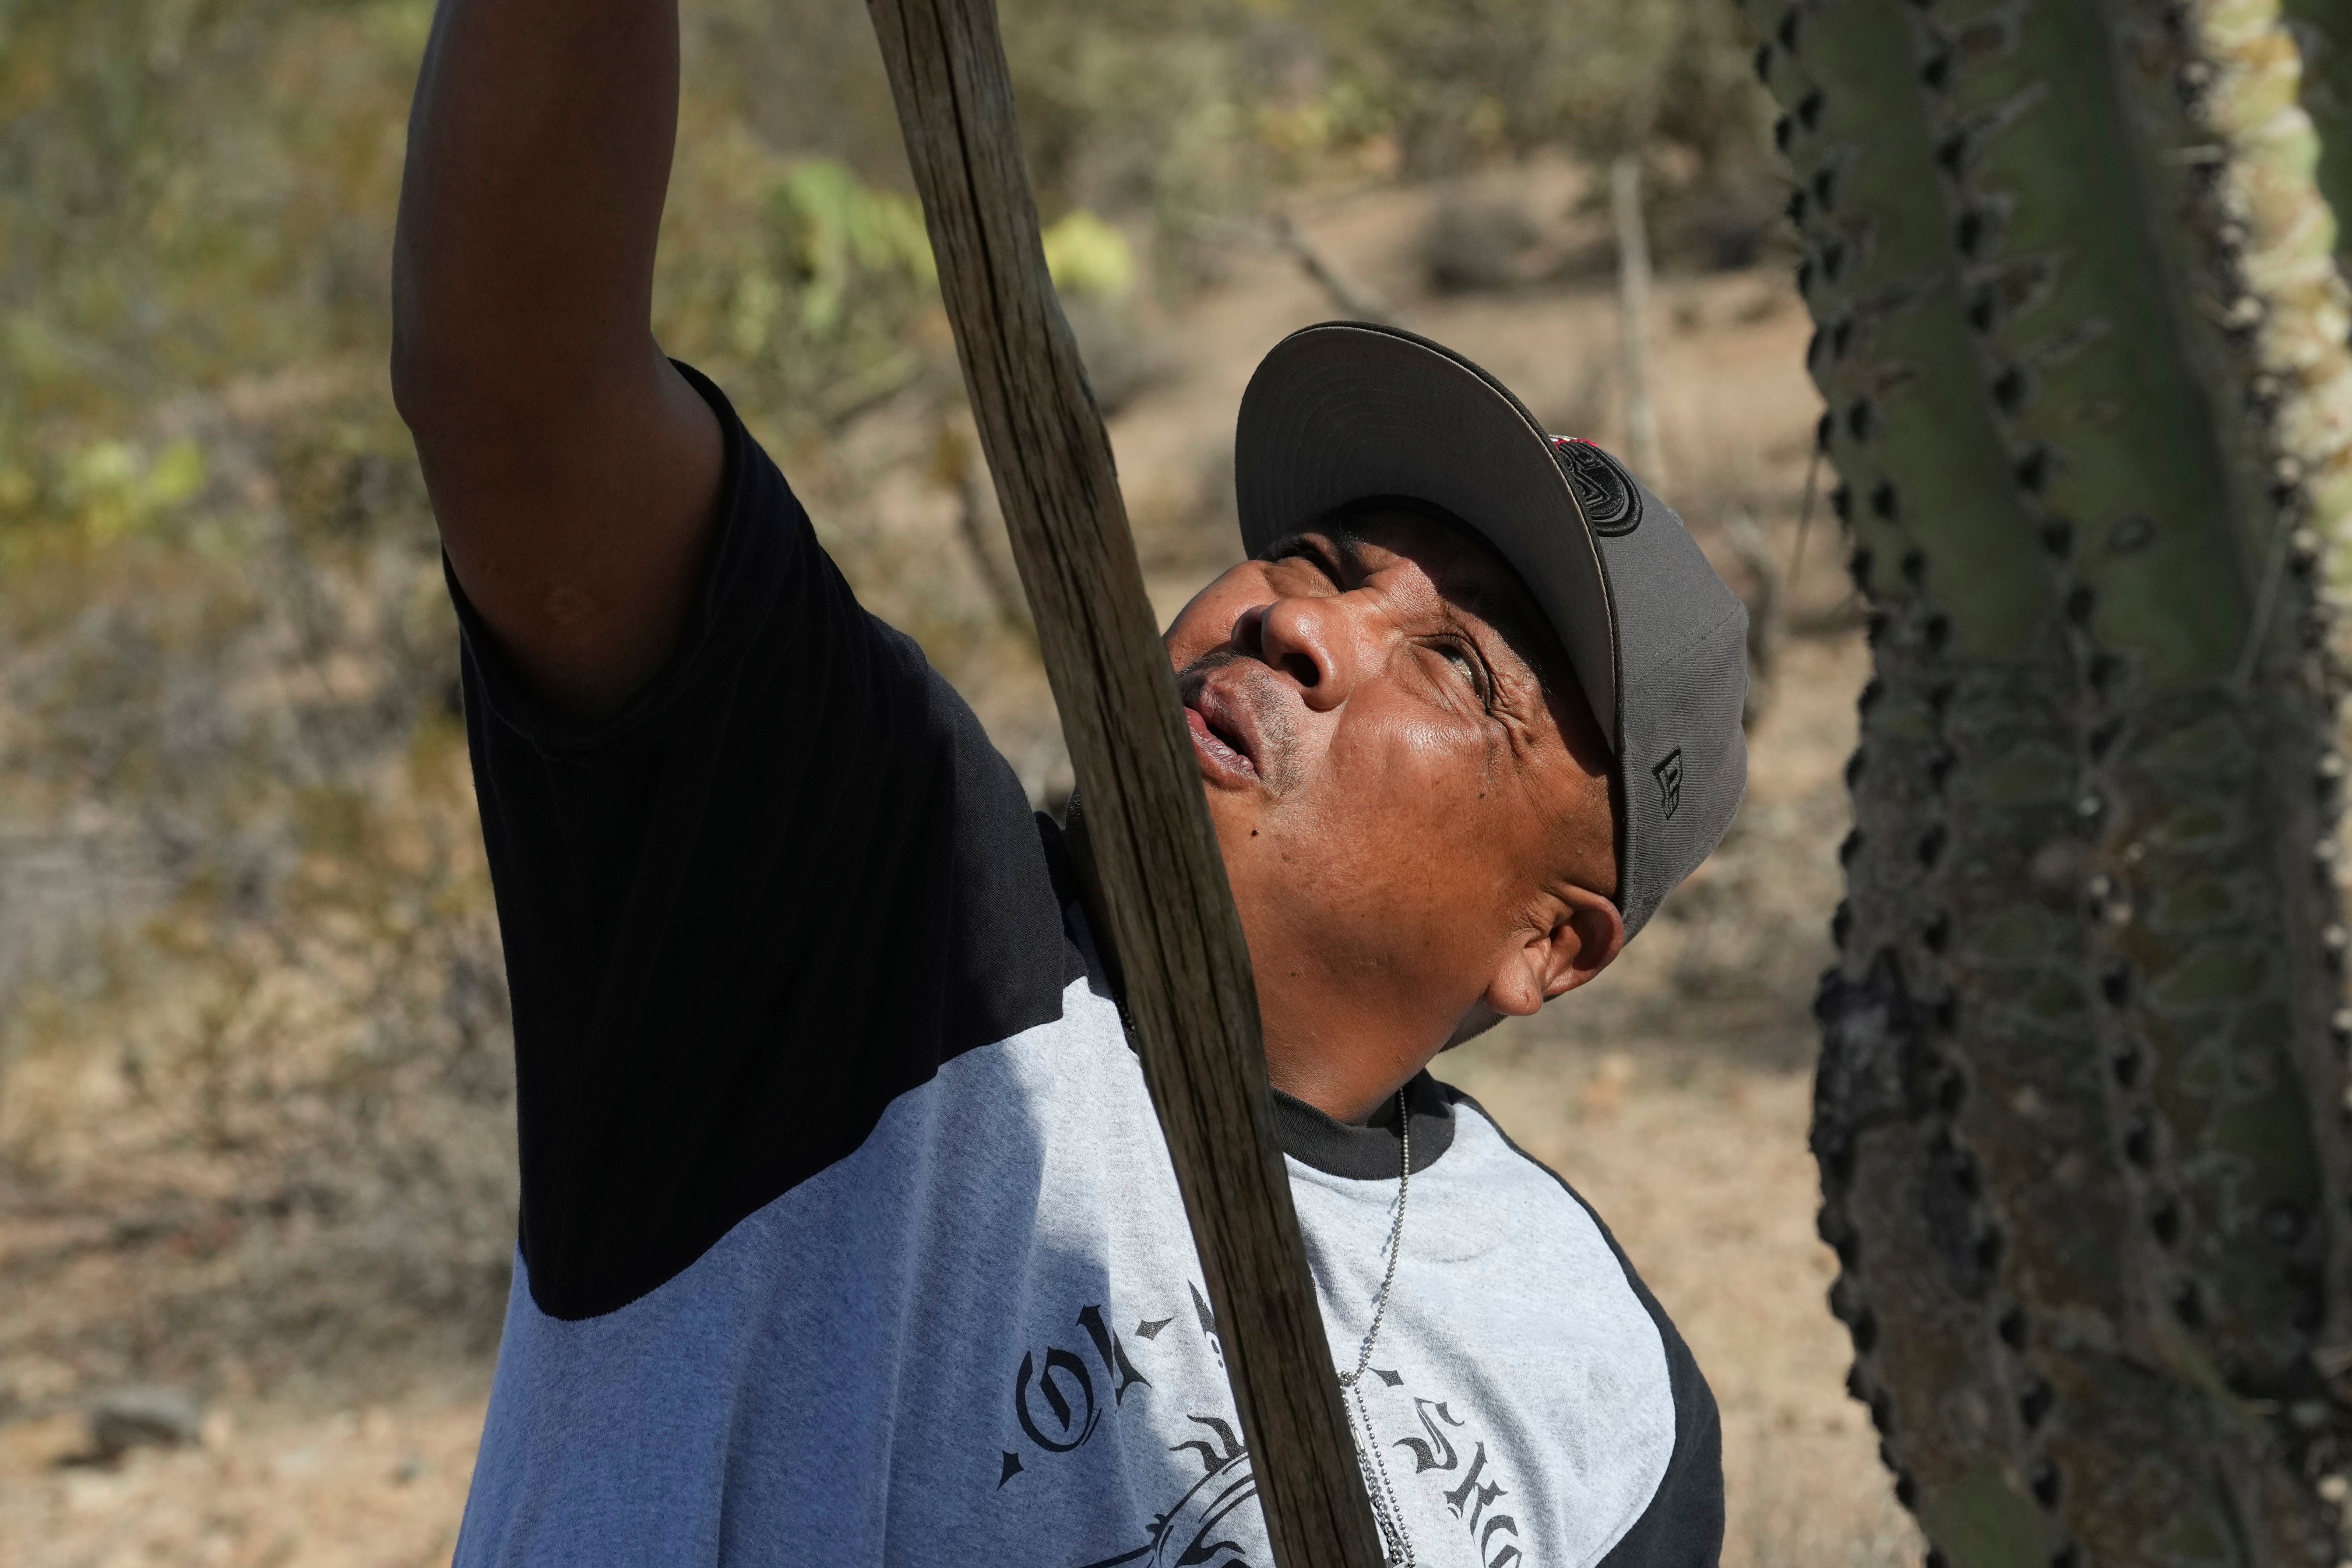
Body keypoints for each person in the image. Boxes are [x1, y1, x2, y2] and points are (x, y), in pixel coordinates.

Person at [391, 0, 1748, 1561]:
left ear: (1551, 945)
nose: (1296, 620)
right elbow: (518, 389)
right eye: (1314, 559)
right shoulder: (861, 909)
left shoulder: (1592, 1380)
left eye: (1452, 666)